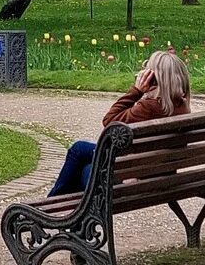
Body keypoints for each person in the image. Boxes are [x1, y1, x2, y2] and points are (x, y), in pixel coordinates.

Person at [49, 49, 191, 197]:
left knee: (80, 154)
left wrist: (136, 91)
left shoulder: (149, 107)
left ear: (153, 78)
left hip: (137, 179)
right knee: (86, 166)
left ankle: (50, 205)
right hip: (160, 174)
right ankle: (59, 210)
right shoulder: (182, 107)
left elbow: (109, 120)